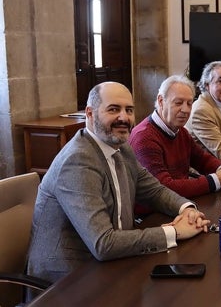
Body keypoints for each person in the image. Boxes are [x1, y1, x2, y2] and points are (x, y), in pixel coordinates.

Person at [27, 82, 209, 285]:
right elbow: (103, 243)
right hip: (68, 279)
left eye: (129, 110)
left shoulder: (121, 146)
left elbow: (153, 190)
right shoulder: (77, 161)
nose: (124, 118)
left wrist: (186, 209)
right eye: (114, 109)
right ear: (90, 113)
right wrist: (175, 232)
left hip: (112, 263)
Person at [129, 75, 221, 210]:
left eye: (189, 103)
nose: (186, 110)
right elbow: (163, 188)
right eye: (178, 103)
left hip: (181, 204)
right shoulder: (144, 137)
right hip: (153, 215)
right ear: (161, 101)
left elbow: (201, 159)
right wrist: (217, 180)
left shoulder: (180, 131)